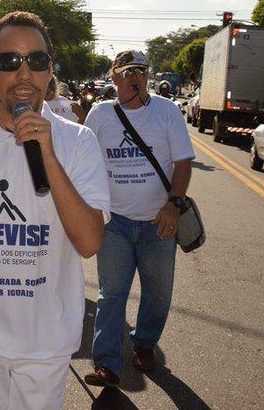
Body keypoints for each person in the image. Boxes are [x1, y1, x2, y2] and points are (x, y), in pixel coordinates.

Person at [0, 11, 110, 410]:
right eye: (10, 62)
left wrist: (48, 154)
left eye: (37, 61)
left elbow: (89, 241)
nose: (25, 73)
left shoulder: (78, 143)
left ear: (51, 70)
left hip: (44, 342)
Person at [83, 50, 195, 388]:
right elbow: (82, 159)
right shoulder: (100, 114)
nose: (136, 78)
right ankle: (107, 364)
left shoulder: (167, 111)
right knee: (111, 293)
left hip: (158, 222)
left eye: (141, 72)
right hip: (113, 222)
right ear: (114, 77)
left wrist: (173, 204)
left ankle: (144, 343)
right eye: (128, 72)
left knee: (158, 292)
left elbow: (183, 163)